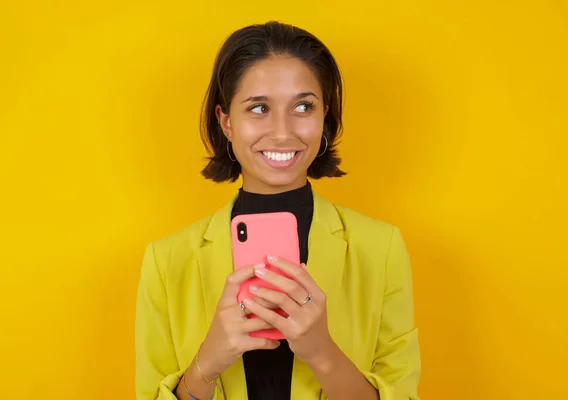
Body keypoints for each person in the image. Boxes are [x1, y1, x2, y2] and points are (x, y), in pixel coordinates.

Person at [135, 21, 421, 400]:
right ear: (226, 122)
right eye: (259, 108)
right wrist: (208, 361)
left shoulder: (380, 247)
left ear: (325, 117)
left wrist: (322, 353)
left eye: (304, 106)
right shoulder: (167, 261)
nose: (283, 132)